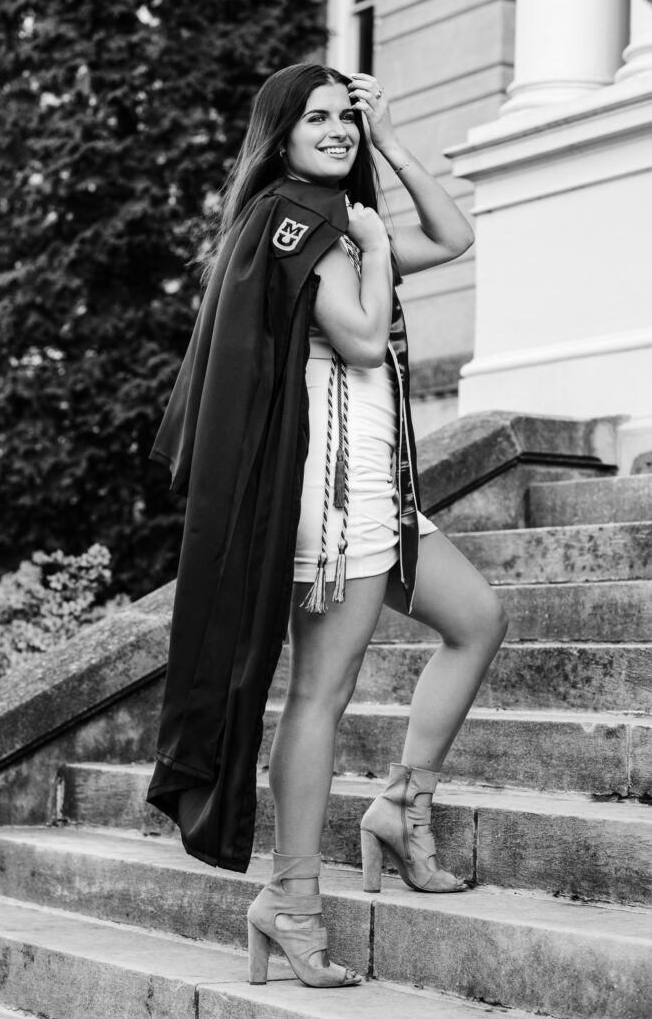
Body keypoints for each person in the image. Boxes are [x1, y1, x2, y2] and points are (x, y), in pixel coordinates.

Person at [146, 63, 508, 991]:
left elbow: (456, 234)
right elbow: (354, 336)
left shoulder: (337, 219)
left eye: (346, 118)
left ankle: (399, 808)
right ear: (282, 133)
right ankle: (291, 900)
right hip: (330, 490)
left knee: (476, 621)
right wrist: (375, 246)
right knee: (322, 693)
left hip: (378, 480)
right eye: (319, 119)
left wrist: (390, 145)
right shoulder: (294, 219)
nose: (336, 130)